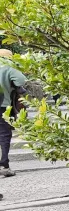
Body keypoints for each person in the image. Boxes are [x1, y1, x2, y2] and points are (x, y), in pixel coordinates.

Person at [0, 48, 26, 178]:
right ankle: (4, 166)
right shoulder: (8, 66)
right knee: (4, 134)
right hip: (2, 105)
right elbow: (21, 81)